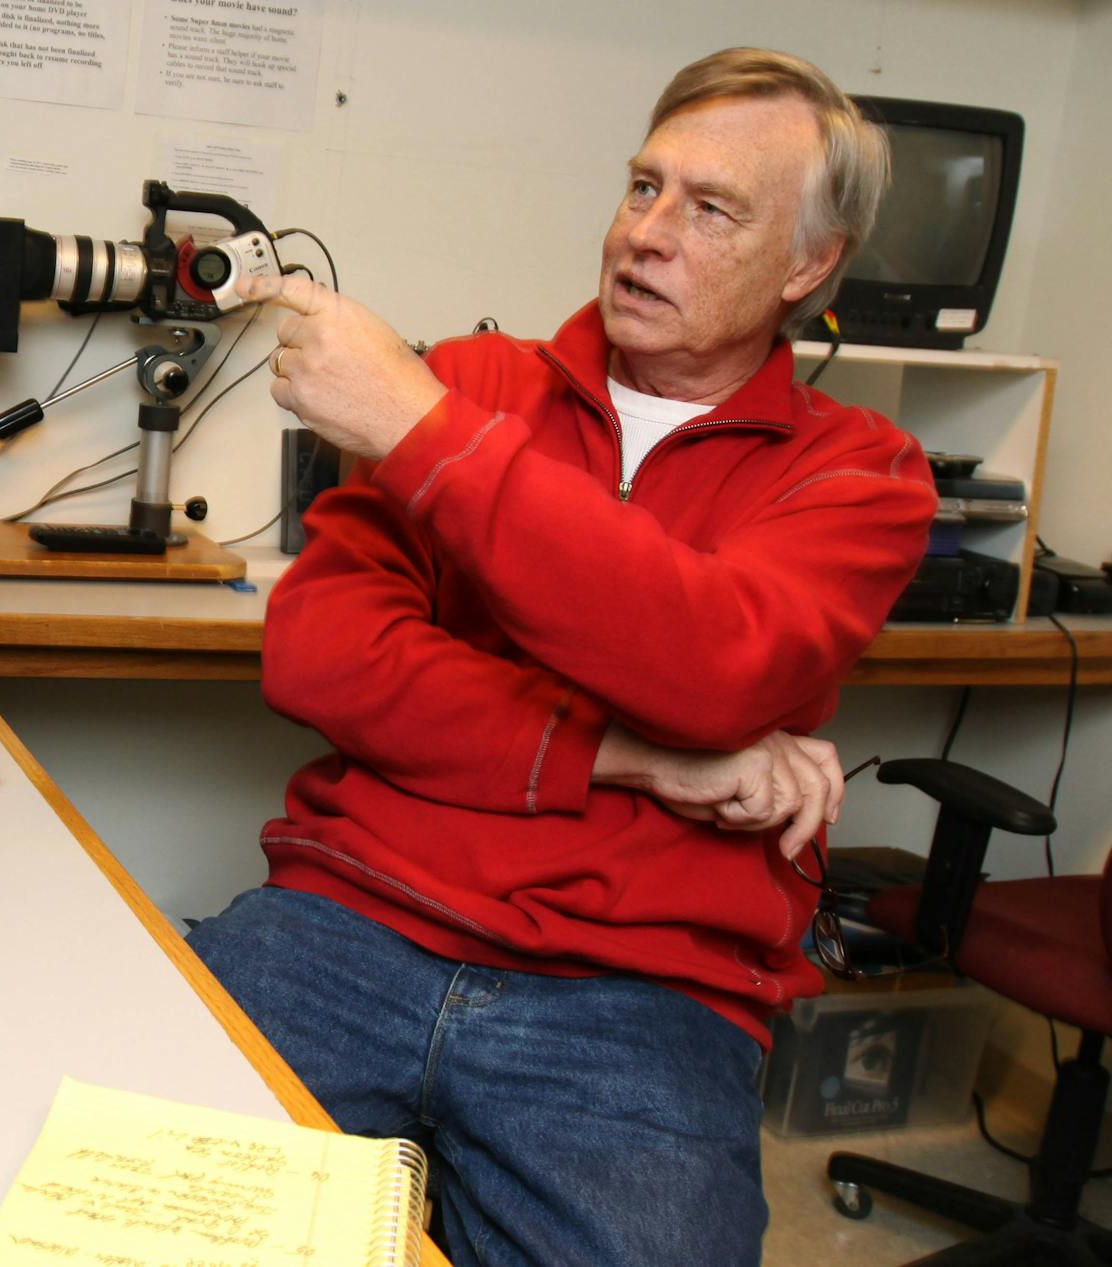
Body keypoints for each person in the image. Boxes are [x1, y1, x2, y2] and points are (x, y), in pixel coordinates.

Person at [186, 48, 937, 1267]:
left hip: (639, 995)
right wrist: (642, 758)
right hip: (349, 927)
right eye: (644, 187)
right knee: (115, 1208)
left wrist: (415, 432)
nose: (646, 233)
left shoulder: (861, 473)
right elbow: (322, 655)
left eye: (710, 209)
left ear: (809, 264)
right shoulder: (481, 384)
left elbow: (715, 666)